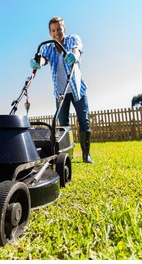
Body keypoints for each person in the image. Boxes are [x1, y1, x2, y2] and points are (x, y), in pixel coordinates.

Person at [30, 16, 93, 163]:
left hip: (77, 89)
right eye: (53, 30)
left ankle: (86, 155)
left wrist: (74, 55)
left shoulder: (73, 39)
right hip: (60, 93)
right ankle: (67, 155)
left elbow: (77, 50)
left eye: (59, 29)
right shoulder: (48, 47)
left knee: (84, 121)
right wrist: (37, 61)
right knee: (63, 125)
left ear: (64, 28)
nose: (57, 32)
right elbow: (44, 59)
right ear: (50, 33)